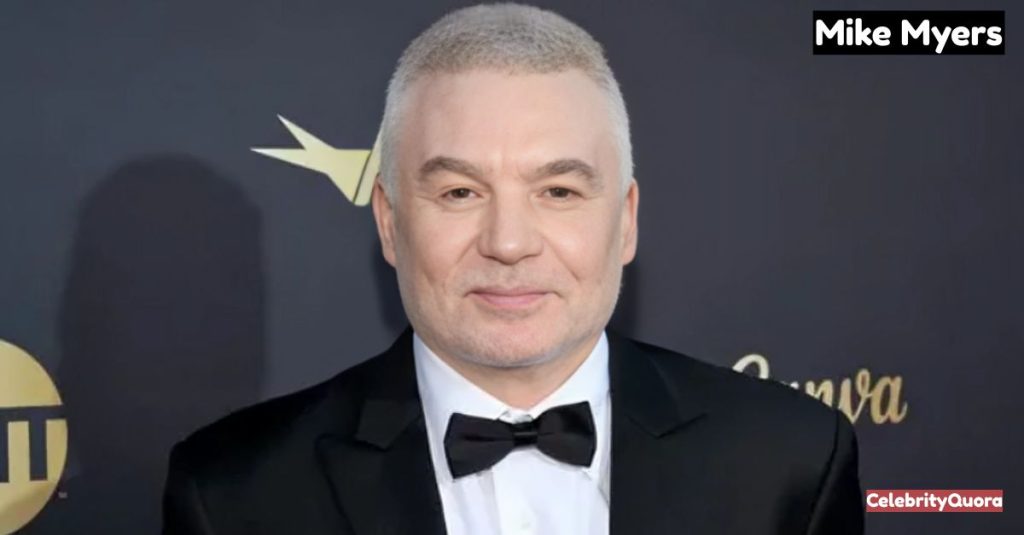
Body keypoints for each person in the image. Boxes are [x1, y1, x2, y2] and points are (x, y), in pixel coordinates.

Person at [162, 3, 864, 534]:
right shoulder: (234, 494)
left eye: (558, 191)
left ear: (625, 221)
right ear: (389, 221)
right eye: (459, 192)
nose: (508, 242)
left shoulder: (790, 461)